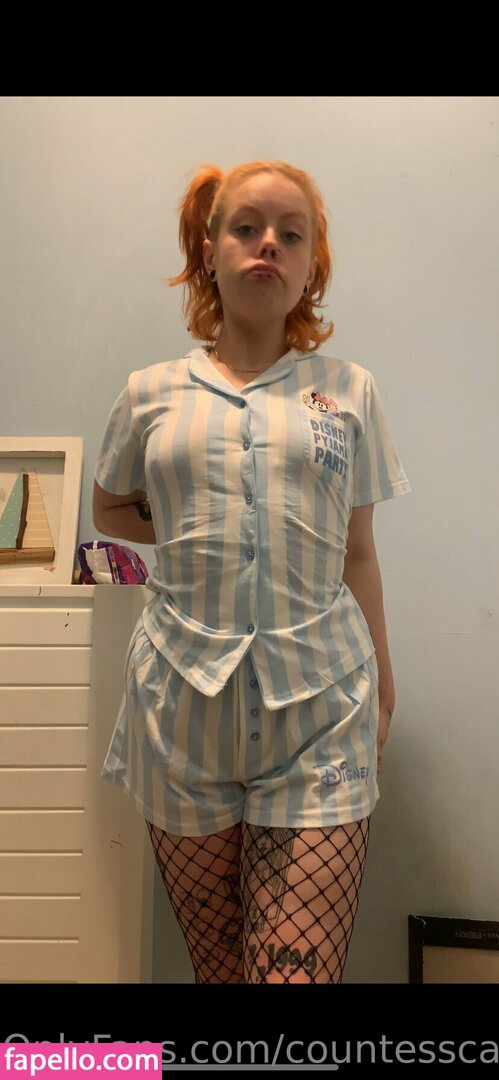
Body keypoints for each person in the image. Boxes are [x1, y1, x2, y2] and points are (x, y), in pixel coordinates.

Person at [92, 159, 412, 984]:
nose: (267, 244)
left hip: (320, 711)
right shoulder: (149, 393)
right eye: (246, 228)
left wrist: (383, 681)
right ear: (210, 252)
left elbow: (356, 549)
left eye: (289, 235)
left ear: (311, 268)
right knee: (220, 972)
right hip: (180, 713)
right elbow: (111, 509)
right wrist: (198, 525)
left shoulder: (348, 391)